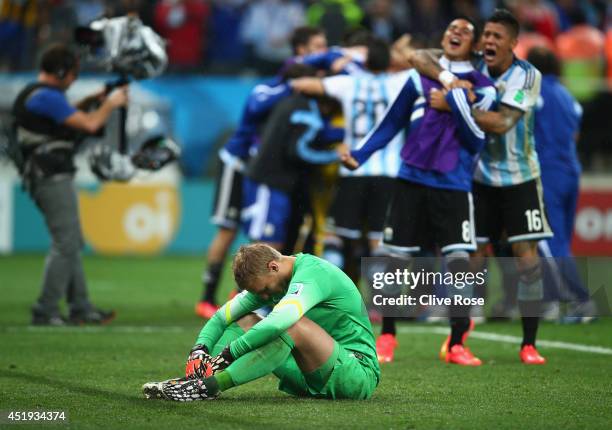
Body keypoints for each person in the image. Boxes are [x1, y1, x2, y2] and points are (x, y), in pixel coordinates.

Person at [341, 17, 496, 364]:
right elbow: (392, 122)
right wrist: (361, 155)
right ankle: (388, 338)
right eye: (450, 28)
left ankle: (456, 343)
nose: (455, 32)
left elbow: (475, 141)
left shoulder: (484, 88)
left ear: (473, 45)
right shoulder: (419, 76)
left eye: (465, 31)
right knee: (396, 261)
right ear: (442, 38)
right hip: (410, 180)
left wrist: (453, 102)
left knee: (458, 263)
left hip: (453, 187)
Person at [413, 9, 552, 364]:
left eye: (497, 36)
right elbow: (418, 57)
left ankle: (529, 343)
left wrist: (454, 104)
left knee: (526, 260)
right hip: (477, 178)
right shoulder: (470, 62)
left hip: (520, 177)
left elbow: (504, 122)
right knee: (471, 261)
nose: (489, 41)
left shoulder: (527, 76)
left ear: (513, 43)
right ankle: (458, 339)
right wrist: (446, 75)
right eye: (486, 34)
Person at [195, 26, 329, 319]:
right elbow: (257, 103)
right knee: (229, 229)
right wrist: (294, 85)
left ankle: (243, 293)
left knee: (267, 232)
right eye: (318, 46)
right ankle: (206, 297)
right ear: (301, 50)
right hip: (240, 161)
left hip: (266, 170)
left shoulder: (312, 86)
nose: (324, 52)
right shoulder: (275, 86)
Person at [143, 243, 380, 401]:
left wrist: (230, 353)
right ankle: (197, 381)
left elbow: (280, 323)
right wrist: (199, 349)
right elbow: (221, 317)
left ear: (273, 266)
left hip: (355, 374)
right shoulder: (271, 277)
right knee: (243, 318)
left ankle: (210, 387)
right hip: (308, 373)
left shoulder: (313, 274)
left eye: (265, 290)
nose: (264, 297)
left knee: (290, 325)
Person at [12, 43, 128, 326]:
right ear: (62, 72)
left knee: (71, 241)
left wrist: (92, 99)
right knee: (65, 242)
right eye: (73, 74)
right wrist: (110, 104)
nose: (74, 79)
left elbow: (64, 118)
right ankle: (45, 309)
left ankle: (80, 307)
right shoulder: (48, 97)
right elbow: (88, 125)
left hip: (45, 174)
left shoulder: (39, 95)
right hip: (50, 175)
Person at [290, 36, 404, 294]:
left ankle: (333, 298)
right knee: (378, 241)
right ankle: (381, 304)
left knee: (335, 237)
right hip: (388, 173)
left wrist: (338, 58)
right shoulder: (399, 82)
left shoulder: (347, 83)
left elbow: (302, 84)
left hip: (353, 168)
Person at [527, 46, 596, 323]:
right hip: (571, 169)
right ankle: (552, 302)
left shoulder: (537, 94)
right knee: (561, 241)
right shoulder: (569, 97)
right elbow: (576, 134)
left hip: (549, 172)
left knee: (550, 242)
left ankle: (582, 301)